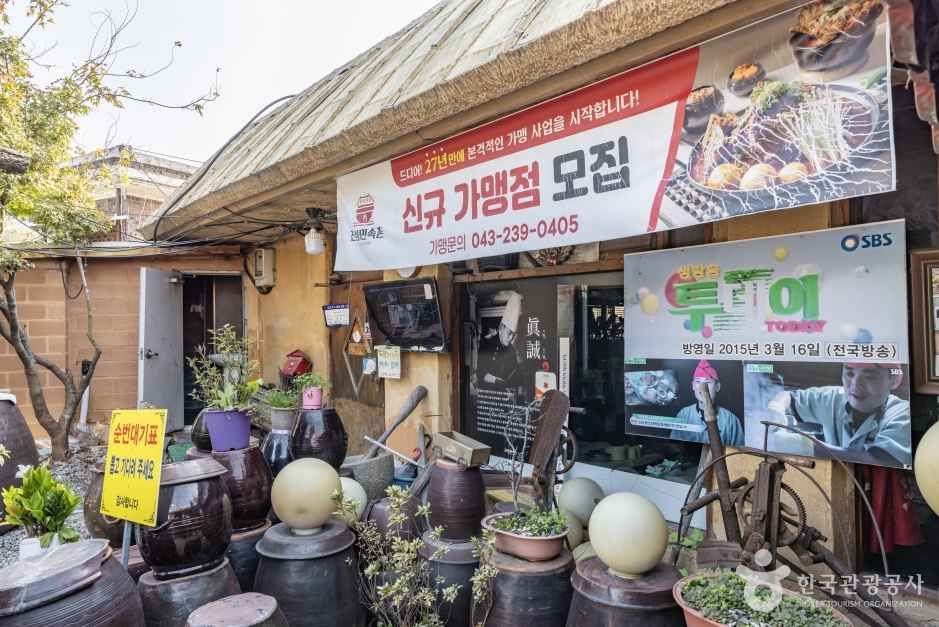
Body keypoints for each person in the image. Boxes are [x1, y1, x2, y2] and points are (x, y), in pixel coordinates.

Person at [770, 362, 910, 466]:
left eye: (869, 377)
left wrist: (809, 447)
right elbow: (788, 397)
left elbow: (879, 462)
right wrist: (776, 408)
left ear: (894, 380)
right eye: (849, 374)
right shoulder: (831, 397)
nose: (855, 385)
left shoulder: (903, 414)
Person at [670, 360, 744, 446]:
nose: (702, 387)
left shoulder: (731, 420)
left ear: (717, 386)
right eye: (698, 381)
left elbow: (739, 452)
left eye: (707, 382)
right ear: (693, 385)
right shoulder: (683, 414)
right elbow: (674, 447)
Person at [479, 291, 523, 388]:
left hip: (506, 392)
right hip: (489, 391)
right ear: (501, 328)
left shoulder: (511, 350)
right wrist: (496, 380)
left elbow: (514, 371)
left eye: (513, 335)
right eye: (509, 333)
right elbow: (480, 373)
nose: (510, 338)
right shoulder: (487, 343)